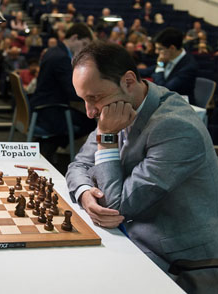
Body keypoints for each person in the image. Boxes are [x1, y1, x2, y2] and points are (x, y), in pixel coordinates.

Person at [66, 41, 218, 294]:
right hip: (130, 232)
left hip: (175, 258)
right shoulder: (116, 105)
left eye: (95, 98)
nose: (90, 112)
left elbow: (117, 206)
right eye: (84, 99)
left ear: (127, 81)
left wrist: (106, 137)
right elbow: (79, 164)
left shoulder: (176, 128)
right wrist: (84, 192)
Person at [29, 23, 96, 160]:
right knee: (91, 123)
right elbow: (73, 92)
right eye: (83, 44)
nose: (84, 50)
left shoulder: (55, 51)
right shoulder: (61, 57)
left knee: (82, 119)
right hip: (49, 111)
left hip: (42, 106)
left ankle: (47, 148)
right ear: (74, 37)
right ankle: (48, 147)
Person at [139, 27, 198, 104]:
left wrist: (160, 66)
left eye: (160, 49)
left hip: (181, 106)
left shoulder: (188, 67)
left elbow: (164, 90)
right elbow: (147, 71)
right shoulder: (169, 57)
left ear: (172, 48)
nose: (157, 52)